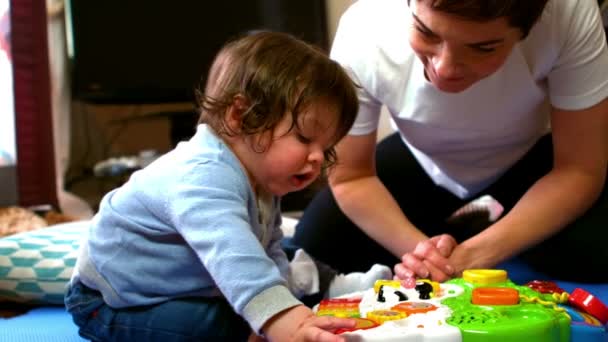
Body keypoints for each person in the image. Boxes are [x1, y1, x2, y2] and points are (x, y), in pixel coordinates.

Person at [65, 31, 392, 341]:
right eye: (305, 138)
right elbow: (236, 259)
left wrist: (287, 305)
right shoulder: (202, 178)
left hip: (195, 276)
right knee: (230, 321)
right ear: (241, 115)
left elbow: (266, 249)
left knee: (279, 257)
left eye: (327, 147)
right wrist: (287, 323)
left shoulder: (258, 175)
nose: (318, 158)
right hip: (117, 301)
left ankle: (331, 285)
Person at [291, 0, 608, 284]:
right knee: (315, 248)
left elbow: (578, 170)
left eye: (483, 47)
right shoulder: (364, 27)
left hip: (532, 162)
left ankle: (479, 232)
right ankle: (452, 235)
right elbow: (352, 176)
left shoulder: (569, 13)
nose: (444, 68)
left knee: (594, 250)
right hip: (421, 161)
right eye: (427, 33)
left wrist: (476, 254)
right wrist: (426, 259)